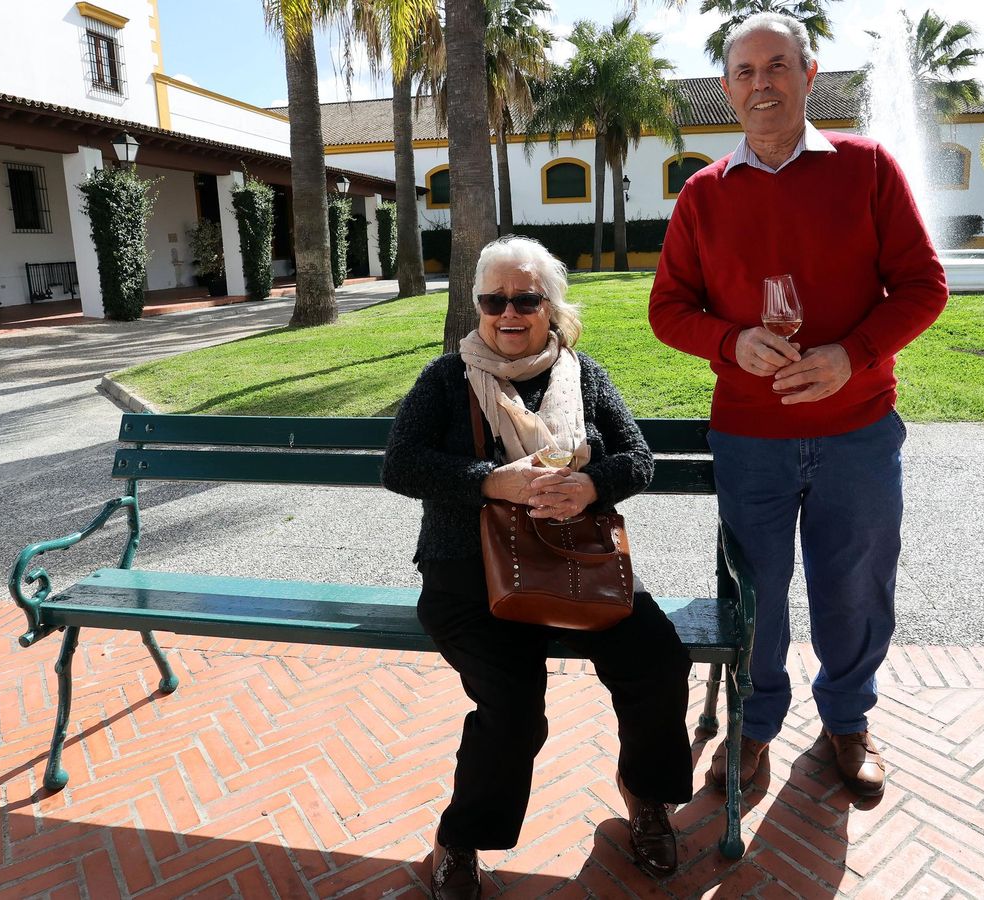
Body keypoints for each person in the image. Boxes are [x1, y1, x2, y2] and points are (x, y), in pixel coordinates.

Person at [648, 12, 948, 800]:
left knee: (855, 583)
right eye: (744, 72)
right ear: (726, 91)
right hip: (752, 436)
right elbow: (667, 309)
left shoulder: (869, 168)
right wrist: (728, 343)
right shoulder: (703, 195)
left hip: (858, 432)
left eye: (777, 66)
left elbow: (924, 286)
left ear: (809, 77)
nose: (761, 84)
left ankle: (848, 722)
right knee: (755, 593)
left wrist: (851, 356)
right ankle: (754, 728)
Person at [383, 236, 694, 898]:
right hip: (469, 574)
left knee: (658, 661)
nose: (509, 313)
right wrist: (491, 482)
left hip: (576, 563)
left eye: (526, 299)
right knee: (515, 709)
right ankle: (459, 840)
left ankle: (645, 797)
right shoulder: (446, 378)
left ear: (550, 307)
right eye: (494, 300)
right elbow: (402, 463)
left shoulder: (583, 375)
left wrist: (589, 486)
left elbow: (637, 458)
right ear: (477, 307)